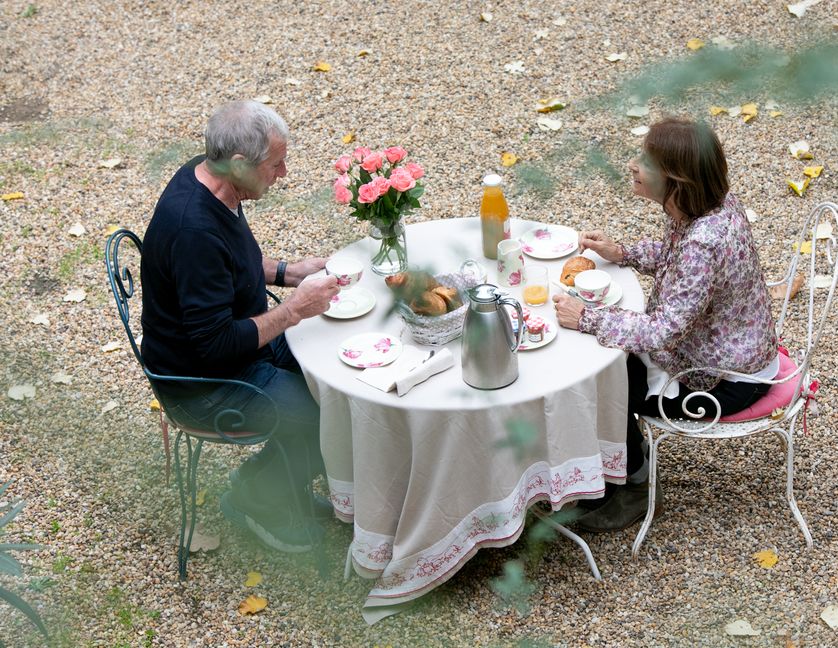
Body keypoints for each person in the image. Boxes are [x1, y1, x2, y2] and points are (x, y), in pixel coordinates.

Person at [553, 117, 778, 531]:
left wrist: (584, 316)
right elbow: (677, 261)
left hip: (723, 380)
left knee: (608, 380)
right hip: (724, 347)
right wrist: (623, 253)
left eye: (646, 161)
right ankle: (615, 462)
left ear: (676, 179)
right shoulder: (710, 207)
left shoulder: (704, 243)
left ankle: (634, 487)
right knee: (609, 353)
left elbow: (662, 331)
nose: (634, 165)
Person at [140, 100, 340, 551]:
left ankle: (281, 483)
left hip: (238, 345)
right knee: (323, 416)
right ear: (237, 163)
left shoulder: (210, 178)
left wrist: (291, 271)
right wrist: (292, 309)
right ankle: (257, 494)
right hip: (203, 382)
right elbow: (215, 345)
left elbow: (233, 263)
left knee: (337, 367)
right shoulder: (194, 230)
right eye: (275, 164)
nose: (284, 173)